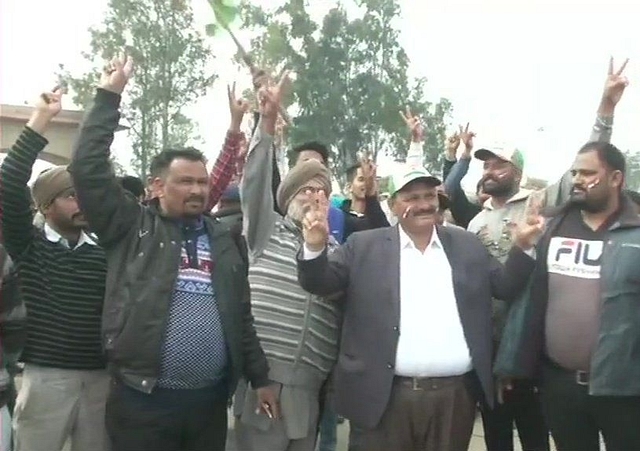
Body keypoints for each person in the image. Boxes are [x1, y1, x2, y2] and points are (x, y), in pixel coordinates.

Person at [68, 55, 275, 451]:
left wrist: (261, 377)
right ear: (158, 186)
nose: (197, 190)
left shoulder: (224, 238)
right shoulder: (130, 228)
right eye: (185, 182)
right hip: (141, 402)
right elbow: (87, 169)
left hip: (209, 403)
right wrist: (109, 97)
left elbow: (240, 316)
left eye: (201, 182)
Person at [296, 163, 544, 451]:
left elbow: (504, 286)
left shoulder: (466, 245)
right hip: (382, 398)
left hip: (454, 400)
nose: (424, 204)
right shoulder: (363, 246)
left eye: (429, 195)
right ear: (393, 204)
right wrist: (314, 247)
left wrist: (524, 246)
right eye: (411, 198)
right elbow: (321, 283)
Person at [235, 70, 342, 451]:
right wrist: (265, 123)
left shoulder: (336, 251)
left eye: (322, 191)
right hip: (264, 384)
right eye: (306, 189)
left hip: (311, 391)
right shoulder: (265, 230)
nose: (314, 196)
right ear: (287, 198)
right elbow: (254, 180)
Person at [0, 87, 110, 451]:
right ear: (46, 206)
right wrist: (41, 119)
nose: (82, 203)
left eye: (83, 195)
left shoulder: (107, 251)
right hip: (46, 377)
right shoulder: (28, 246)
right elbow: (10, 182)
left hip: (101, 378)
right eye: (70, 196)